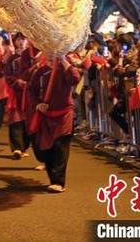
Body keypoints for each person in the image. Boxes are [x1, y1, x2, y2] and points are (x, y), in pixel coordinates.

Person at [26, 53, 80, 193]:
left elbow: (75, 78)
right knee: (46, 148)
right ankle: (52, 179)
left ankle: (58, 182)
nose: (51, 58)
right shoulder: (40, 72)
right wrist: (37, 104)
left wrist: (63, 60)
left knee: (61, 146)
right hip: (45, 115)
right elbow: (32, 91)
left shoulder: (65, 70)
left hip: (64, 115)